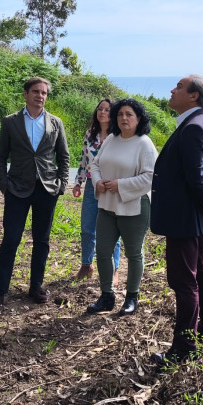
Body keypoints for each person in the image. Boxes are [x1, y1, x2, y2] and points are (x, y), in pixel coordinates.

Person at [149, 75, 203, 365]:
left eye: (180, 87)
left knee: (185, 282)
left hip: (185, 219)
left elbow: (197, 176)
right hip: (197, 216)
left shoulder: (193, 127)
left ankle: (184, 349)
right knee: (202, 271)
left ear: (194, 96)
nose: (172, 90)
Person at [0, 77, 70, 311]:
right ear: (25, 94)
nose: (40, 96)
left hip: (46, 189)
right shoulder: (10, 122)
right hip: (17, 189)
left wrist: (61, 185)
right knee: (11, 240)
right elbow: (0, 156)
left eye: (43, 93)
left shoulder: (55, 123)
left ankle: (36, 287)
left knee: (42, 241)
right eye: (35, 91)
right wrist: (4, 184)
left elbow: (63, 156)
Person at [86, 99, 158, 316]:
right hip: (107, 205)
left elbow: (150, 177)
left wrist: (121, 185)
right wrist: (97, 182)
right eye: (120, 114)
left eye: (129, 115)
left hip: (134, 206)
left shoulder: (144, 143)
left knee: (134, 253)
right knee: (103, 251)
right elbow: (95, 164)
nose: (124, 118)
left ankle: (131, 297)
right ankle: (106, 295)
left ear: (139, 119)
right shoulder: (111, 140)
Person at [71, 99, 121, 282]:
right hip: (92, 184)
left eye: (107, 110)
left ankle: (114, 269)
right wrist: (79, 182)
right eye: (100, 108)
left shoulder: (118, 135)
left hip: (111, 185)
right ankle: (86, 264)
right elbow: (84, 160)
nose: (102, 112)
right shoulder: (90, 134)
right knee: (87, 228)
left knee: (112, 229)